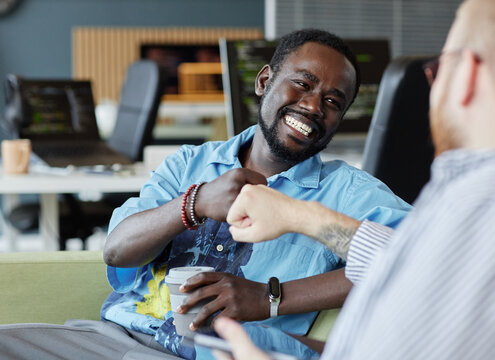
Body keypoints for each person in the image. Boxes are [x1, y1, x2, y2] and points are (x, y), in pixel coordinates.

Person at [0, 29, 411, 360]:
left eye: (333, 101)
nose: (313, 106)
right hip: (112, 338)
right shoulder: (189, 164)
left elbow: (414, 258)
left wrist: (269, 297)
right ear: (265, 81)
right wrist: (191, 204)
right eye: (302, 83)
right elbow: (117, 250)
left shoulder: (344, 192)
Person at [218, 0, 495, 358]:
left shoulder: (488, 201)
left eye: (435, 72)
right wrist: (302, 217)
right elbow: (417, 267)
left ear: (466, 76)